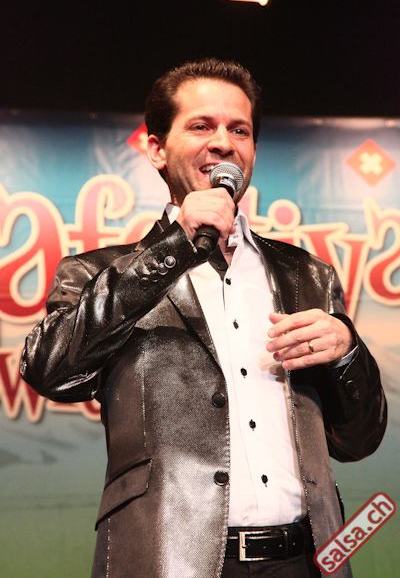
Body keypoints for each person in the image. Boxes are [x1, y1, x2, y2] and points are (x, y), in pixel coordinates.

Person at [20, 59, 386, 578]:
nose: (223, 143)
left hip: (307, 559)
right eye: (201, 126)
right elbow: (49, 371)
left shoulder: (309, 274)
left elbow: (359, 440)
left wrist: (347, 351)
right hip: (170, 558)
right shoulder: (97, 272)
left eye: (239, 130)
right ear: (156, 149)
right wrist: (174, 248)